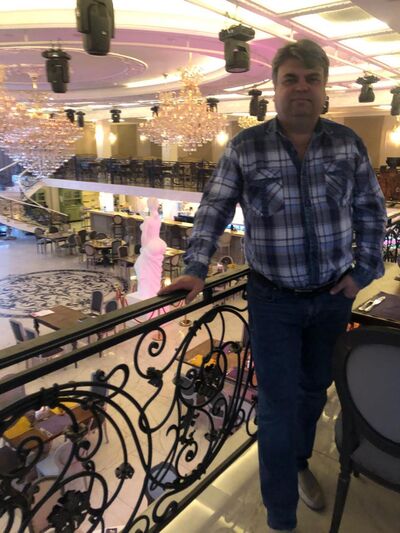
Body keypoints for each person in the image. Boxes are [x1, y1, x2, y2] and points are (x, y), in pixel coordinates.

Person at [159, 39, 386, 532]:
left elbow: (371, 210)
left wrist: (364, 271)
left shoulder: (347, 143)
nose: (301, 88)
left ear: (324, 89)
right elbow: (214, 209)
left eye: (311, 79)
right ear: (275, 88)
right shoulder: (246, 146)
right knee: (277, 408)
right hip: (273, 301)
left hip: (332, 297)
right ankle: (281, 517)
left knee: (314, 390)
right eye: (291, 79)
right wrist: (196, 267)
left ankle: (299, 463)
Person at [134, 196, 167, 299]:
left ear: (148, 206)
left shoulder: (149, 220)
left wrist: (143, 248)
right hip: (159, 243)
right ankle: (154, 290)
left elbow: (144, 236)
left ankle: (147, 292)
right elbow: (149, 220)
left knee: (140, 266)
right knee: (154, 270)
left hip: (151, 245)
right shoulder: (158, 218)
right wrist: (142, 213)